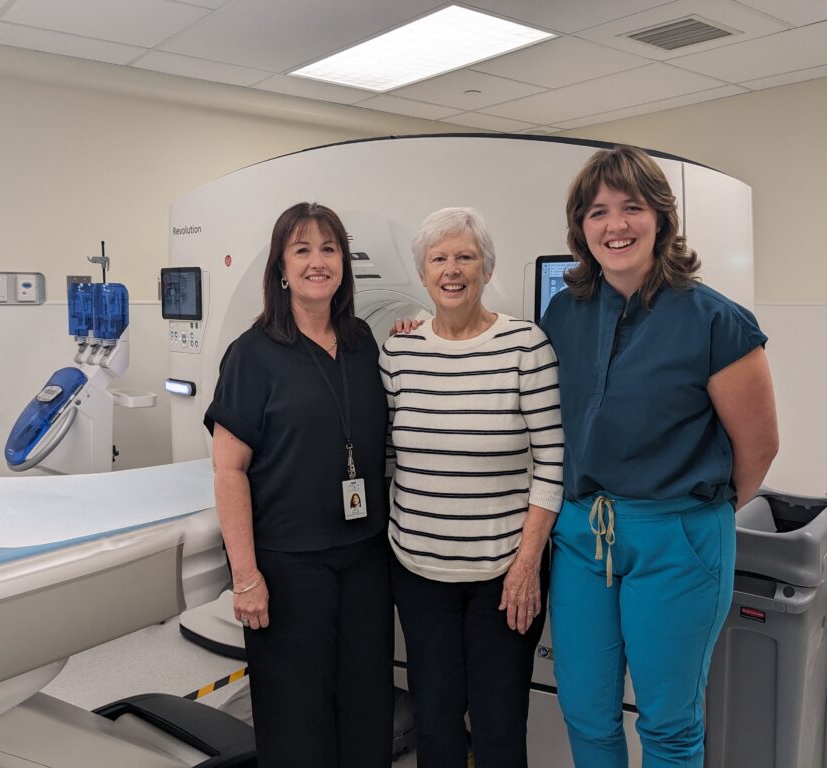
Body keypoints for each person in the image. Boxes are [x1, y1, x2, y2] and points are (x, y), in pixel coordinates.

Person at [540, 145, 779, 768]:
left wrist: (689, 516)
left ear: (661, 218)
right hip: (582, 535)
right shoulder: (565, 312)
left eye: (631, 208)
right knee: (586, 713)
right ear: (580, 227)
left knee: (669, 724)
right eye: (597, 212)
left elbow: (758, 448)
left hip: (678, 538)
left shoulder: (717, 322)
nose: (614, 225)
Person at [204, 202, 393, 768]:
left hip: (365, 557)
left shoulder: (361, 342)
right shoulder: (252, 354)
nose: (318, 261)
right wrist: (245, 578)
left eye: (329, 248)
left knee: (367, 708)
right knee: (295, 719)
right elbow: (228, 469)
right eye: (302, 250)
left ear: (344, 263)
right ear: (281, 268)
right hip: (288, 564)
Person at [380, 207, 564, 768]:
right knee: (434, 719)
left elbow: (552, 463)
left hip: (503, 578)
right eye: (439, 258)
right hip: (419, 573)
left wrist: (527, 563)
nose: (452, 269)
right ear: (423, 272)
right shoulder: (399, 350)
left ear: (486, 268)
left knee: (499, 722)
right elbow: (386, 454)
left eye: (465, 256)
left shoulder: (526, 346)